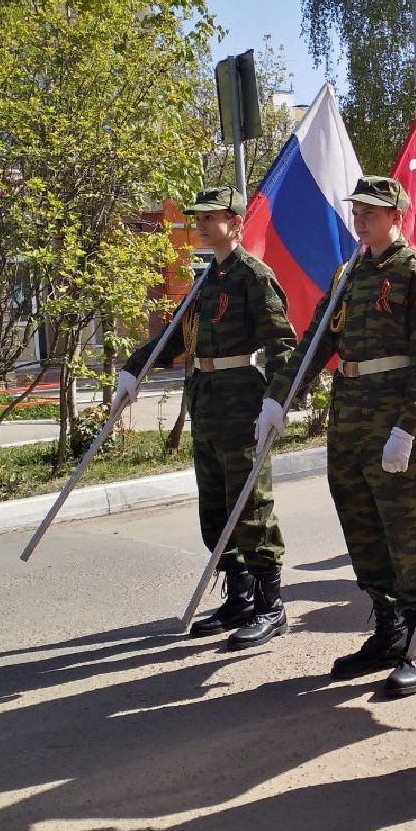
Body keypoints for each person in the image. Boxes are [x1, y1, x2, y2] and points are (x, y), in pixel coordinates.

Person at [258, 176, 416, 696]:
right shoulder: (349, 275)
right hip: (348, 422)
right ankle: (388, 632)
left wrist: (408, 428)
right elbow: (316, 342)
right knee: (362, 532)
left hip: (393, 425)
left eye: (372, 210)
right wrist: (280, 396)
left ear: (397, 215)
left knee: (407, 537)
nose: (361, 217)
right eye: (357, 209)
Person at [115, 186, 297, 648]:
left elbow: (281, 342)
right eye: (197, 217)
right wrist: (134, 369)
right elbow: (175, 336)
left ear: (235, 223)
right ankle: (238, 596)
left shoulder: (253, 276)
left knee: (249, 505)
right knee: (215, 507)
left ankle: (271, 604)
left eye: (210, 217)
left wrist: (277, 401)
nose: (199, 224)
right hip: (206, 398)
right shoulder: (205, 279)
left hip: (241, 399)